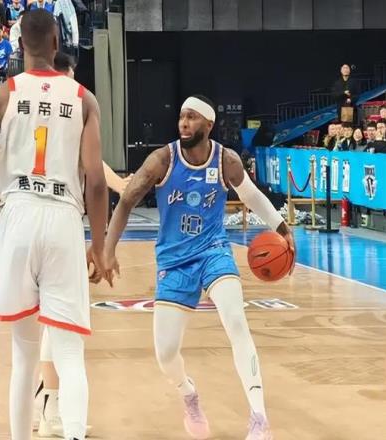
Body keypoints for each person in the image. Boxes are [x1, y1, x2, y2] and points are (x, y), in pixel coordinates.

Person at [0, 9, 110, 440]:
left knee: (23, 357)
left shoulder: (3, 94)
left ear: (18, 47)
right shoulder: (84, 99)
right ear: (56, 43)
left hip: (17, 216)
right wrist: (100, 244)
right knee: (69, 352)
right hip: (64, 217)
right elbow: (96, 182)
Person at [103, 95, 295, 440]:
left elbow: (251, 196)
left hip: (213, 251)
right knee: (165, 354)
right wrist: (108, 248)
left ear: (209, 124)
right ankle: (189, 395)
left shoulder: (226, 160)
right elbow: (127, 200)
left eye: (192, 117)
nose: (184, 123)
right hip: (174, 261)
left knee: (236, 321)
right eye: (182, 117)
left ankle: (259, 418)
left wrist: (282, 228)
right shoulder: (162, 160)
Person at [32, 49, 133, 438]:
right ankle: (55, 411)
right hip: (59, 225)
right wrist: (123, 187)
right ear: (65, 75)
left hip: (26, 224)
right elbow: (94, 169)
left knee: (47, 323)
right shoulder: (71, 110)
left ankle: (46, 407)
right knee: (64, 327)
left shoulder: (29, 106)